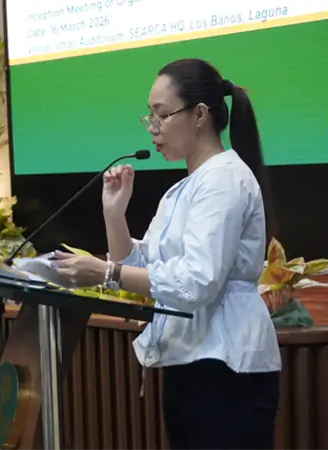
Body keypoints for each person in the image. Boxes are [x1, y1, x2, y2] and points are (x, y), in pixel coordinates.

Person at [53, 58, 280, 449]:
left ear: (200, 115)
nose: (152, 129)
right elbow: (145, 269)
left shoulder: (224, 180)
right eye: (149, 117)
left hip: (226, 368)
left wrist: (106, 273)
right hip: (192, 363)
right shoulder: (186, 188)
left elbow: (195, 282)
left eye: (161, 115)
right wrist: (114, 214)